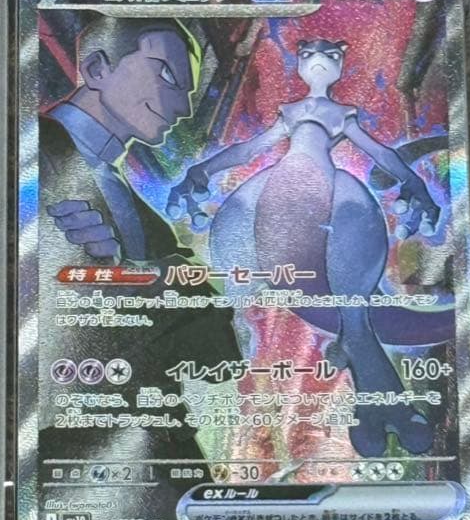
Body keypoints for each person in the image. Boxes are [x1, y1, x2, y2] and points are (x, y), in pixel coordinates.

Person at [168, 37, 441, 457]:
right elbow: (247, 150)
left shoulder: (341, 114)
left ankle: (386, 408)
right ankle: (381, 402)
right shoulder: (291, 113)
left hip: (330, 195)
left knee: (354, 314)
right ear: (298, 63)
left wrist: (413, 181)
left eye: (330, 56)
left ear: (341, 63)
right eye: (310, 55)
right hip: (282, 193)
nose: (319, 62)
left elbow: (380, 152)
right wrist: (201, 170)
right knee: (324, 309)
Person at [36, 18, 241, 520]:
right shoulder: (27, 155)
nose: (182, 108)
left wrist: (145, 275)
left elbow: (212, 345)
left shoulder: (133, 207)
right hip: (67, 453)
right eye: (166, 76)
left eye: (188, 92)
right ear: (96, 69)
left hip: (151, 451)